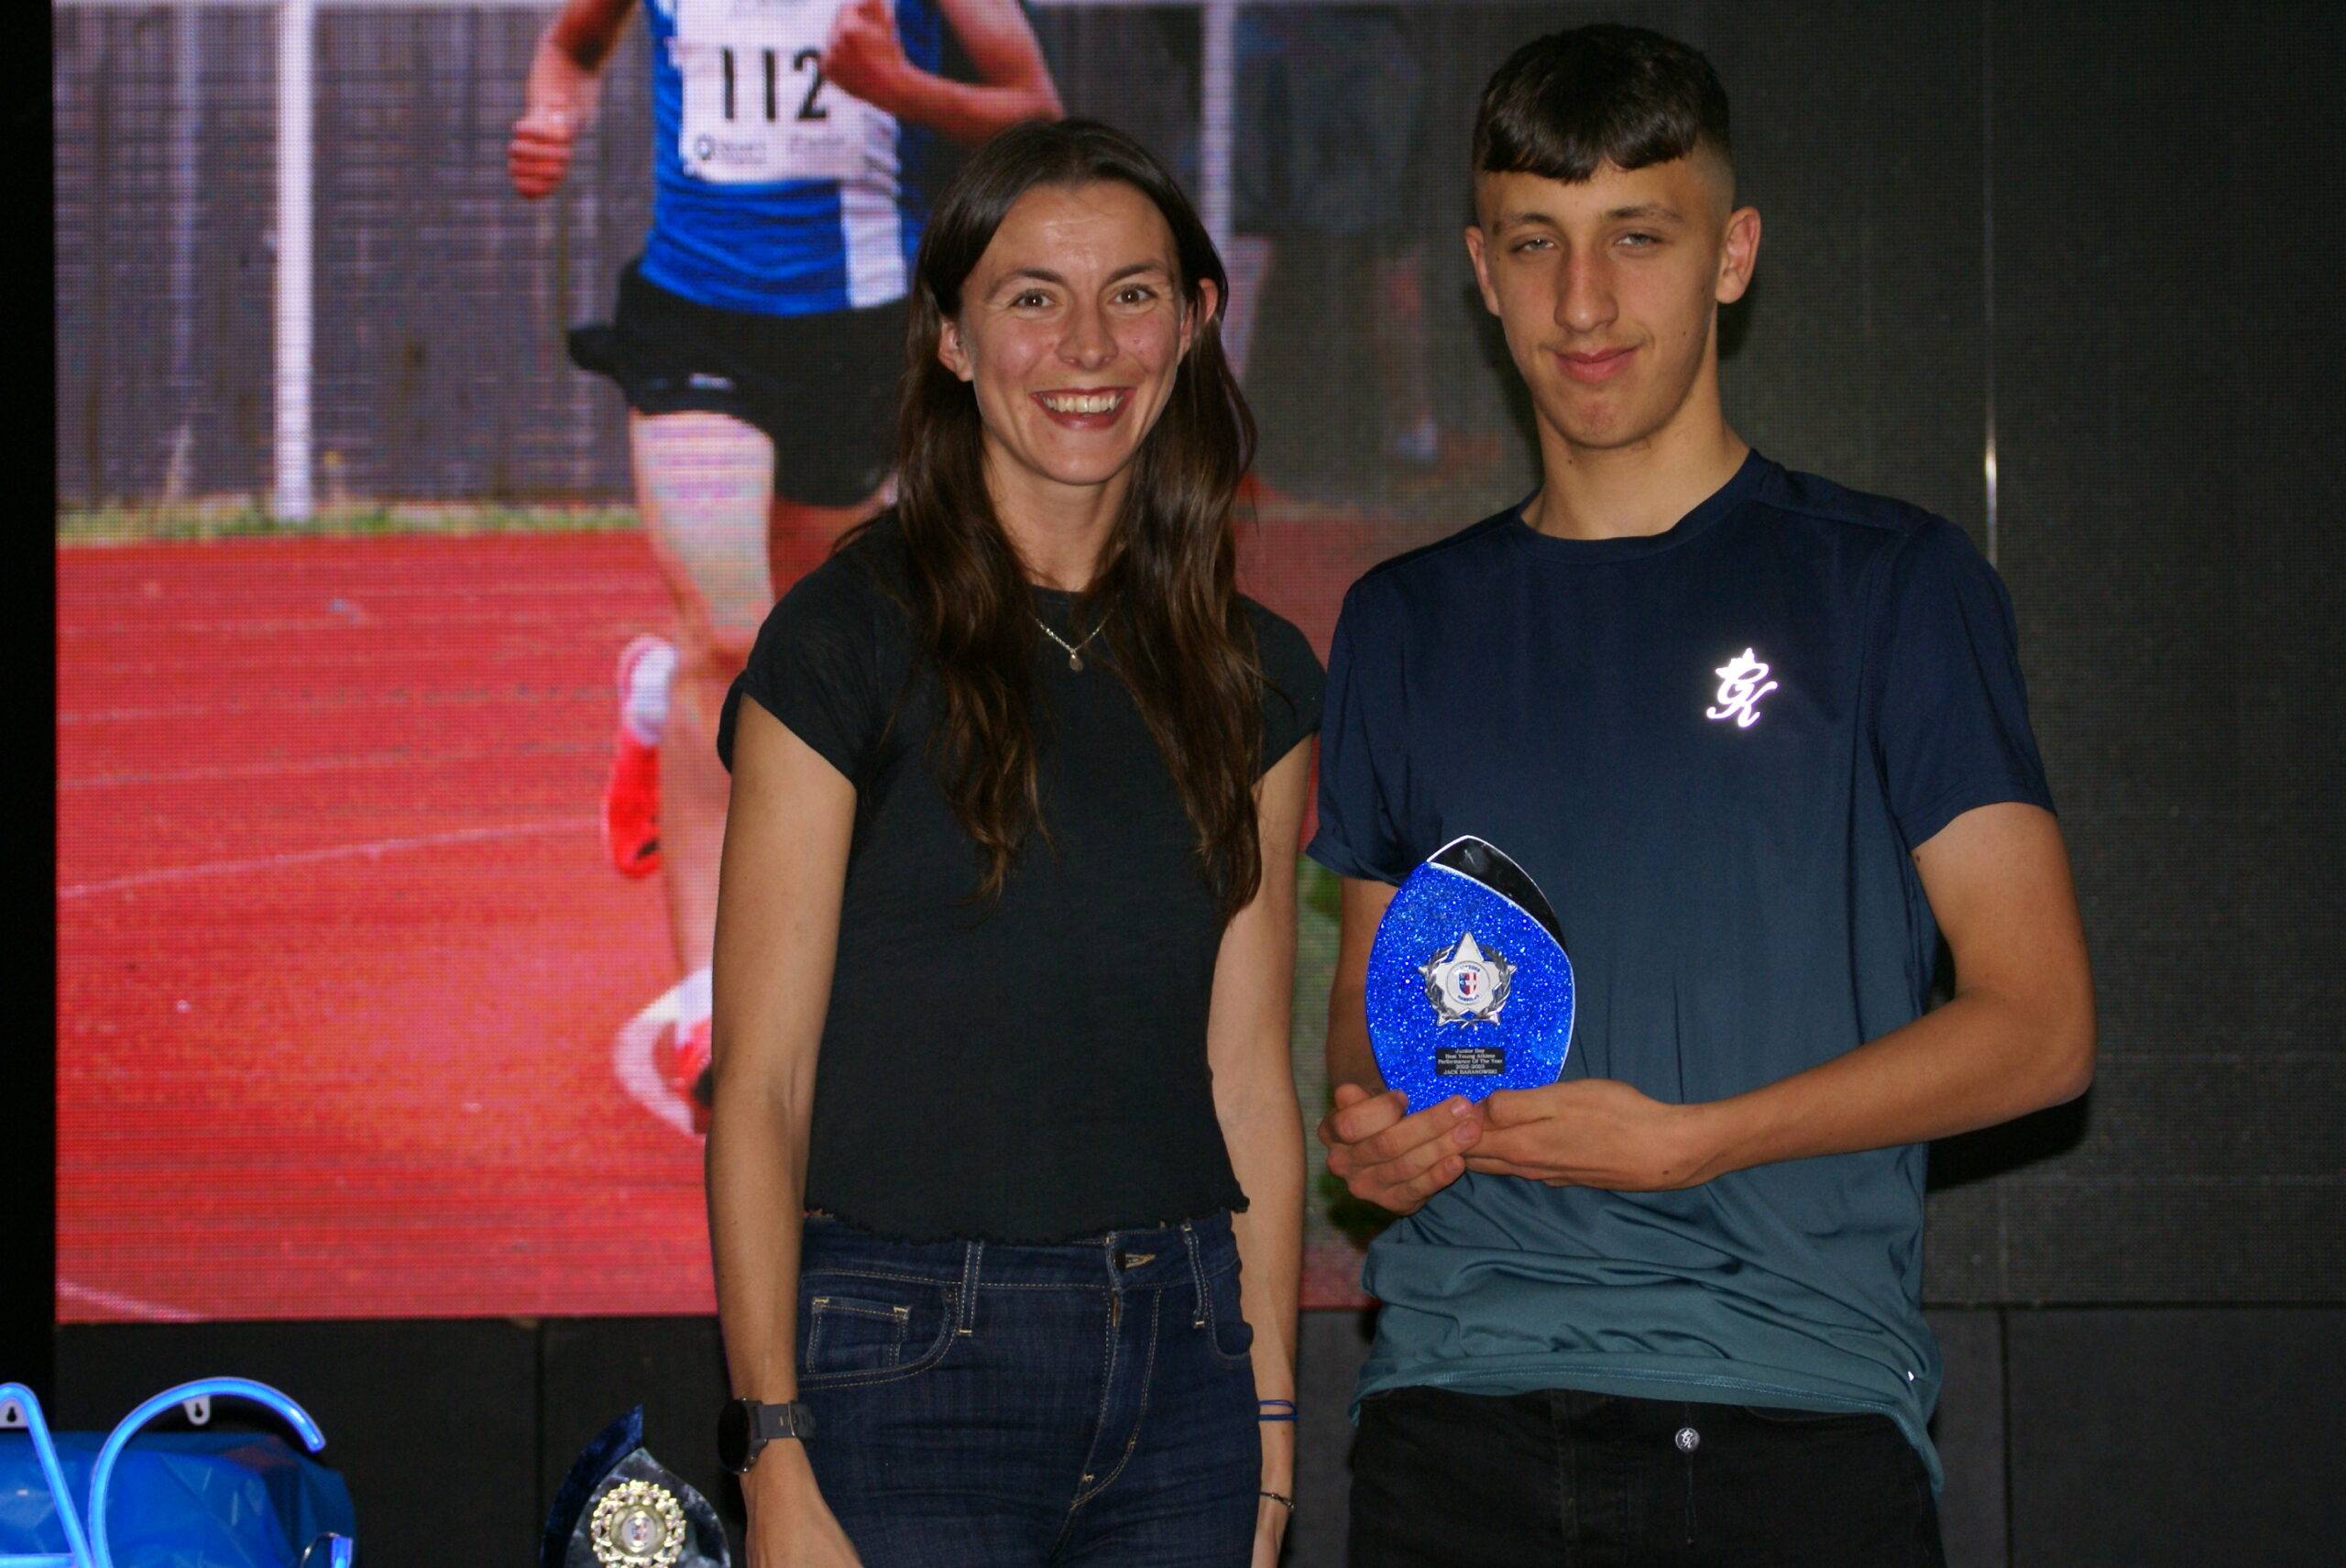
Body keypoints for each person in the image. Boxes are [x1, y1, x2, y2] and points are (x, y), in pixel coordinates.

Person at [1310, 25, 2094, 1567]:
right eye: (1535, 242)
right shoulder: (1404, 619)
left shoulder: (1892, 583)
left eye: (1637, 237)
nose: (1582, 302)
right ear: (1480, 271)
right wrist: (1379, 1122)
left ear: (1731, 255)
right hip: (1452, 1405)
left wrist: (1702, 1140)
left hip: (1786, 1410)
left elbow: (2042, 1025)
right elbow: (1365, 1008)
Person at [706, 120, 1322, 1567]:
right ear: (953, 337)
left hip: (1189, 1378)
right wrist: (773, 1449)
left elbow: (1248, 1084)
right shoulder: (841, 640)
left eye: (1132, 292)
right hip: (900, 1365)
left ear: (1195, 320)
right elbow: (762, 1087)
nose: (1087, 345)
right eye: (1033, 296)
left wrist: (1271, 1421)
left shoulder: (1261, 676)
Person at [508, 0, 1060, 1129]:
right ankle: (712, 1006)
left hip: (855, 340)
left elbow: (1033, 114)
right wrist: (550, 115)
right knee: (729, 637)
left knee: (815, 663)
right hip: (694, 324)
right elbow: (572, 43)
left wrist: (898, 88)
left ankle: (656, 699)